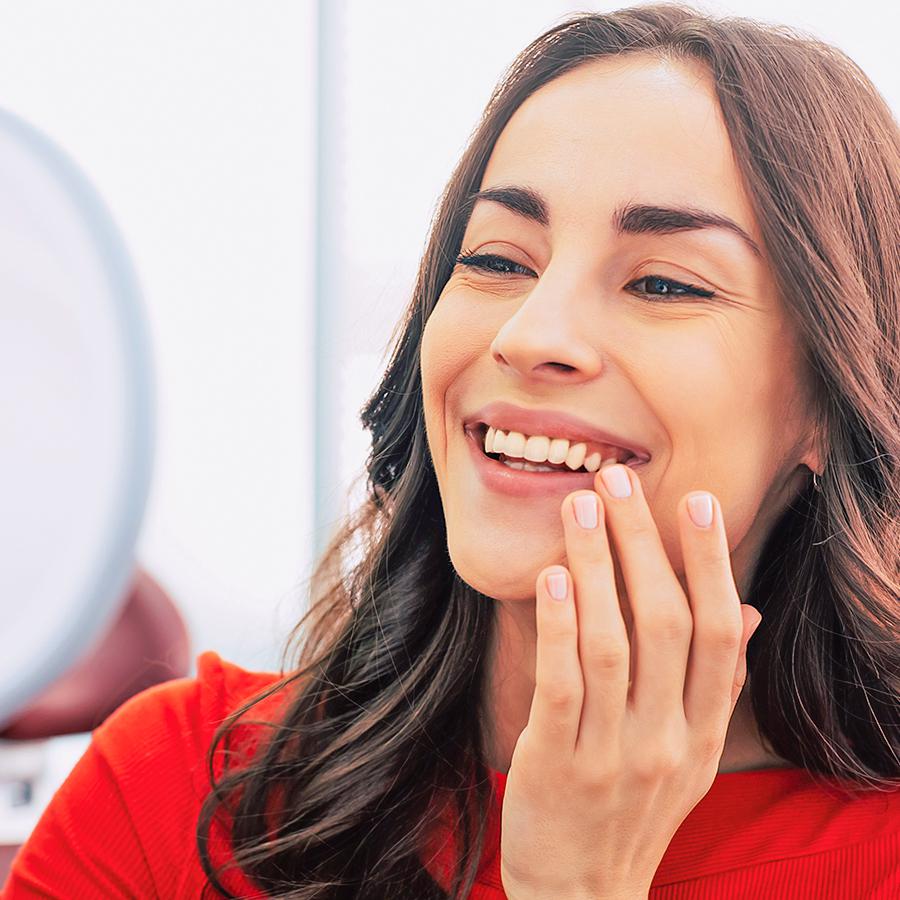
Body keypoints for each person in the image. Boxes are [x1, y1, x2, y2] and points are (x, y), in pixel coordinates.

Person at [4, 3, 898, 898]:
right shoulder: (175, 788)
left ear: (830, 399)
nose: (528, 331)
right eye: (500, 261)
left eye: (662, 281)